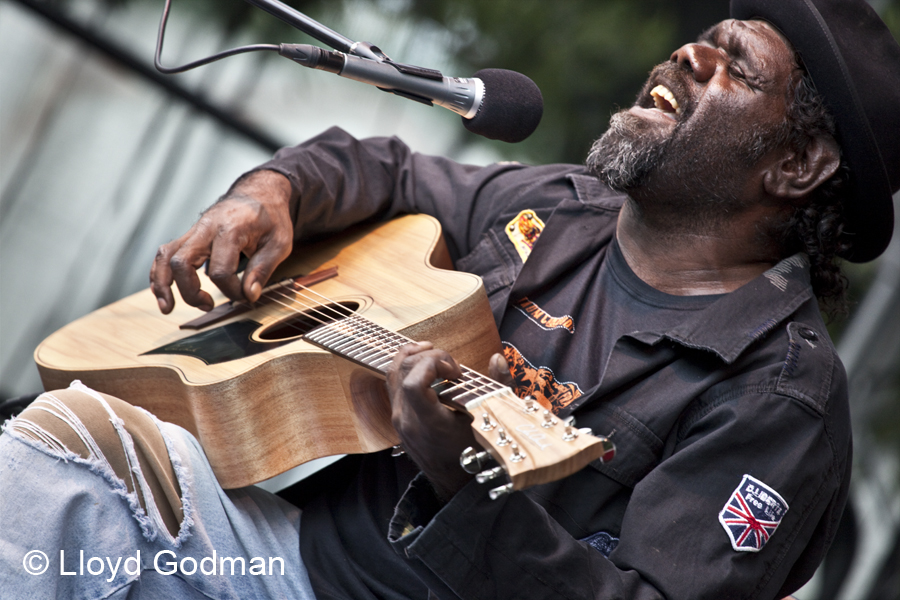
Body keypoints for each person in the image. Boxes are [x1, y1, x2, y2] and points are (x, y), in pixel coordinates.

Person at [2, 0, 899, 598]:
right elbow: (382, 169)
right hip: (282, 555)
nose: (688, 53)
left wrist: (466, 487)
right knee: (56, 447)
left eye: (732, 66)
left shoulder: (777, 398)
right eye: (699, 41)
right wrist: (270, 192)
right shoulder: (557, 208)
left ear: (796, 166)